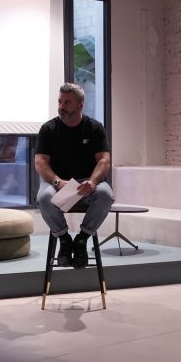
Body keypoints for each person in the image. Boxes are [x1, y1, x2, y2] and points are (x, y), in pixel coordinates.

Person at [35, 83, 114, 269]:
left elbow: (104, 160)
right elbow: (40, 162)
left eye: (67, 103)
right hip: (56, 182)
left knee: (105, 194)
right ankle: (64, 239)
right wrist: (57, 181)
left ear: (80, 105)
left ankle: (82, 239)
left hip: (86, 184)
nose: (61, 107)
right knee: (44, 198)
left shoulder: (94, 128)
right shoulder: (48, 129)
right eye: (60, 102)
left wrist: (92, 182)